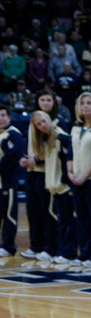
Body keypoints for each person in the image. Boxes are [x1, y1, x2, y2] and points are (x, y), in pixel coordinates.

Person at [22, 111, 73, 262]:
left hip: (63, 186)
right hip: (53, 186)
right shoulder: (46, 139)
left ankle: (64, 251)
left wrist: (64, 179)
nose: (42, 125)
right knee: (60, 219)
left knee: (67, 220)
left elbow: (69, 159)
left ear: (49, 119)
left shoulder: (61, 137)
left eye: (44, 121)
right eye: (38, 124)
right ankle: (60, 250)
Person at [67, 93, 91, 267]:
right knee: (81, 218)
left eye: (89, 103)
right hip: (76, 179)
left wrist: (84, 175)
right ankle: (85, 252)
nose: (86, 106)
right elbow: (69, 152)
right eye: (83, 104)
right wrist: (70, 172)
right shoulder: (75, 127)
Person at [0, 105, 25, 256]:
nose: (0, 118)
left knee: (8, 215)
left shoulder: (14, 134)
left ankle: (9, 246)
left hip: (7, 182)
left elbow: (11, 157)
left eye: (3, 115)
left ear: (9, 117)